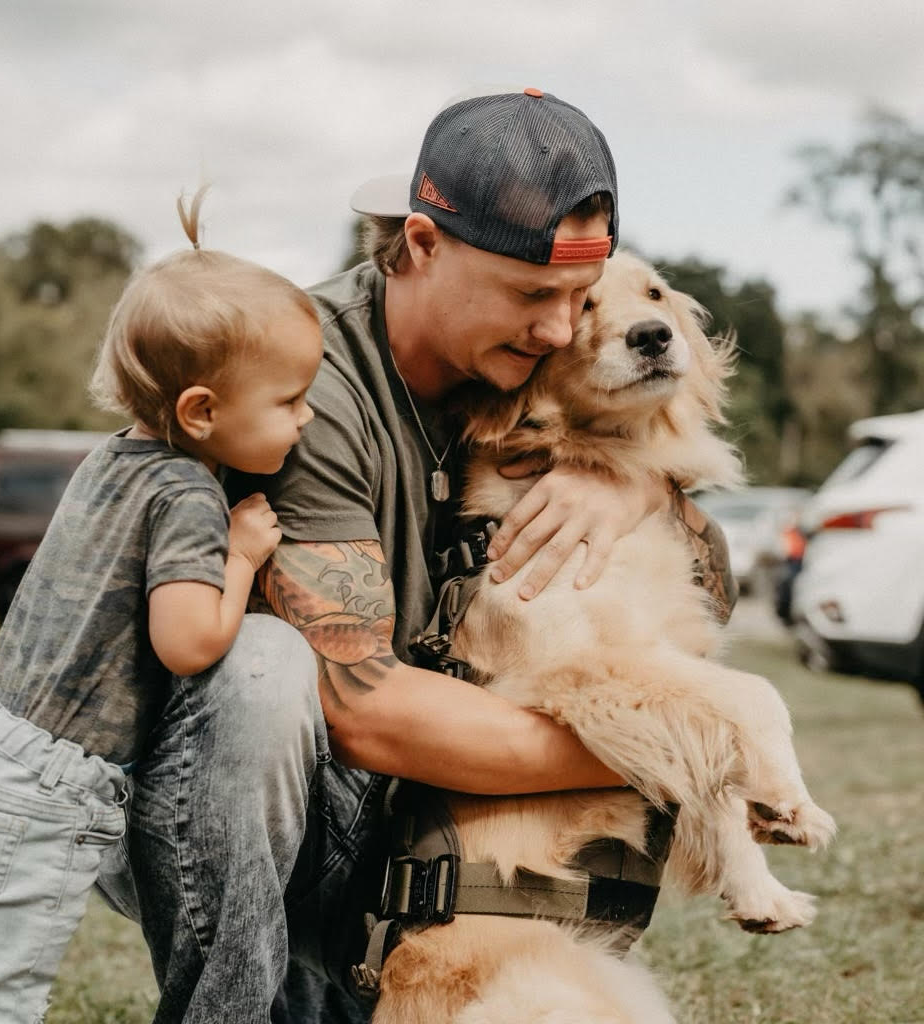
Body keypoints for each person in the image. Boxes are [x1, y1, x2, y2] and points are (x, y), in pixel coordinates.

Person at [114, 88, 735, 1023]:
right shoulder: (303, 381)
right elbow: (367, 715)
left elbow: (704, 599)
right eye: (533, 294)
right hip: (255, 799)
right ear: (421, 244)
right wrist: (684, 747)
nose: (563, 329)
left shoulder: (525, 371)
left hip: (418, 829)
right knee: (264, 669)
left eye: (579, 296)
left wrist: (636, 484)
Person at [0, 191, 323, 1024]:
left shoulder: (107, 462)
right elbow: (188, 643)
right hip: (37, 793)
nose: (307, 420)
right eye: (289, 400)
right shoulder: (186, 494)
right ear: (202, 411)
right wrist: (240, 559)